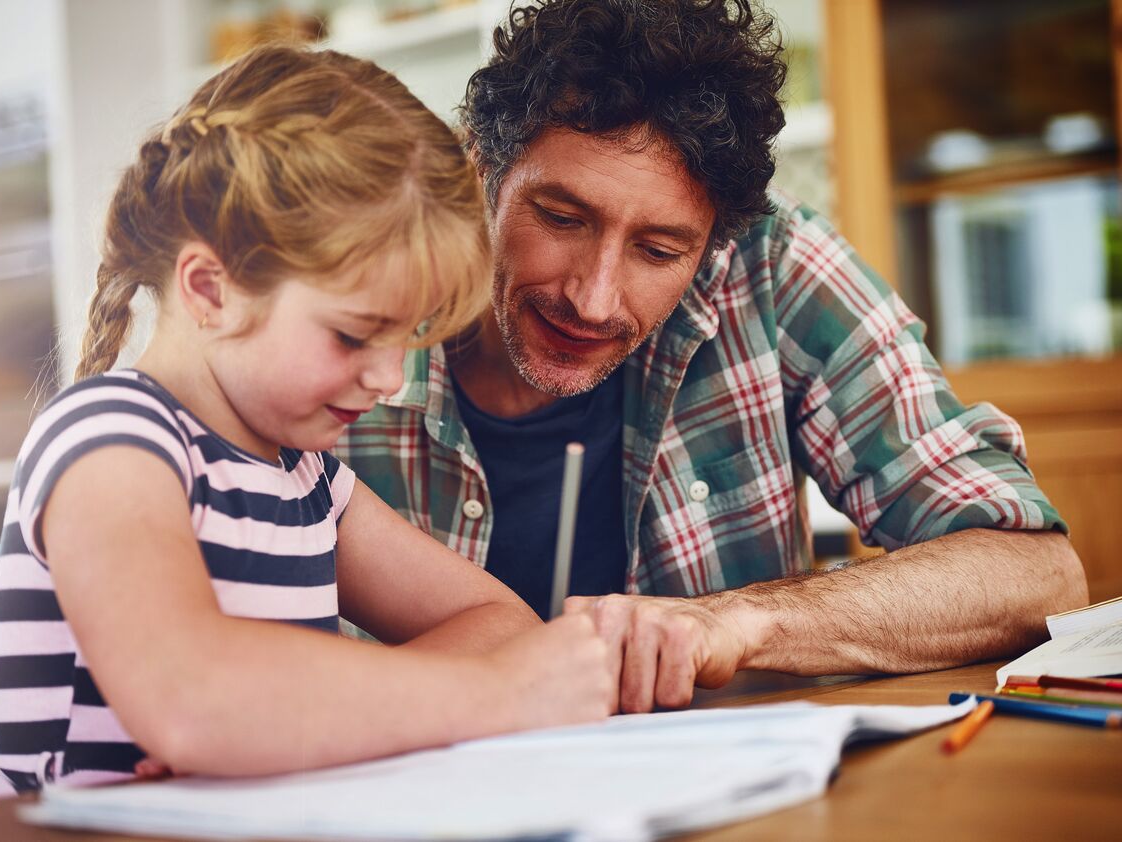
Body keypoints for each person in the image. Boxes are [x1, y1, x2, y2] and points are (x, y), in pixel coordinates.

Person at [336, 0, 1088, 713]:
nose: (594, 300)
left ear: (715, 244)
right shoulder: (343, 302)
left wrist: (740, 621)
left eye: (660, 250)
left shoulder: (772, 266)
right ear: (481, 167)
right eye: (561, 217)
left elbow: (1036, 575)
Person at [0, 45, 615, 797]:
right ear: (210, 289)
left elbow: (498, 621)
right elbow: (192, 701)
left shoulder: (307, 480)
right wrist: (494, 698)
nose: (389, 378)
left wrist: (301, 717)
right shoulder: (110, 446)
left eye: (410, 336)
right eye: (353, 335)